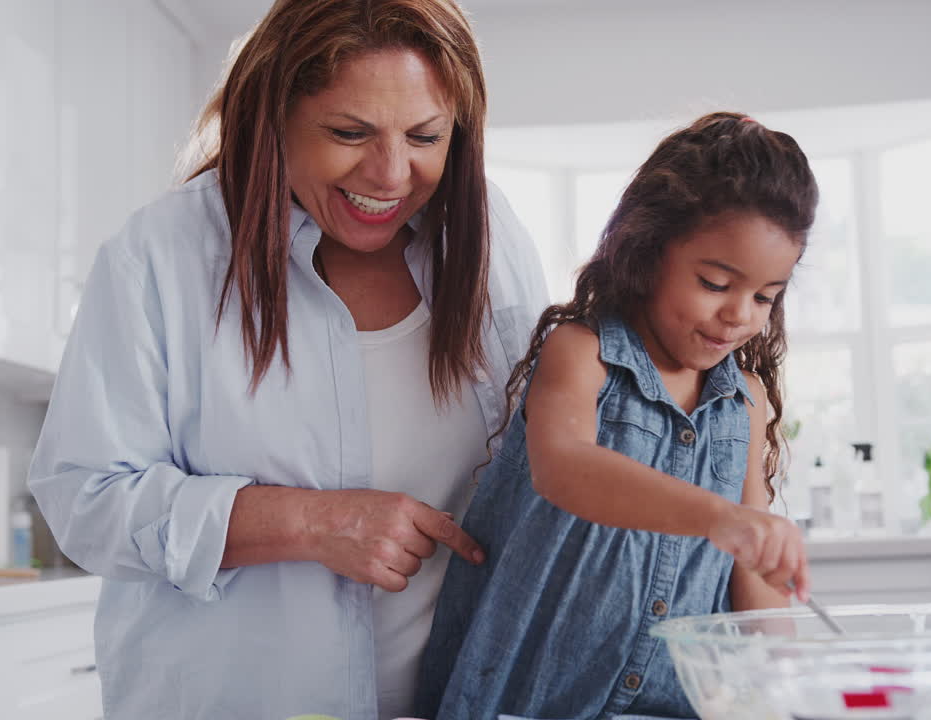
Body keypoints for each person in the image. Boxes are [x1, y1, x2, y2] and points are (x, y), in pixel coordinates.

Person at [27, 1, 548, 718]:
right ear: (273, 117)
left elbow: (537, 456)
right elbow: (84, 500)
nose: (392, 174)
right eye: (348, 132)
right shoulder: (162, 256)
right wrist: (309, 524)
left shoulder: (489, 241)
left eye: (425, 136)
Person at [415, 112, 820, 720]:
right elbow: (567, 468)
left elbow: (751, 572)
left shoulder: (748, 400)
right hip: (530, 699)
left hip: (673, 705)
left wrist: (784, 687)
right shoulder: (582, 354)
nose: (740, 314)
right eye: (715, 283)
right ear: (649, 252)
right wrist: (720, 518)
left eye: (765, 296)